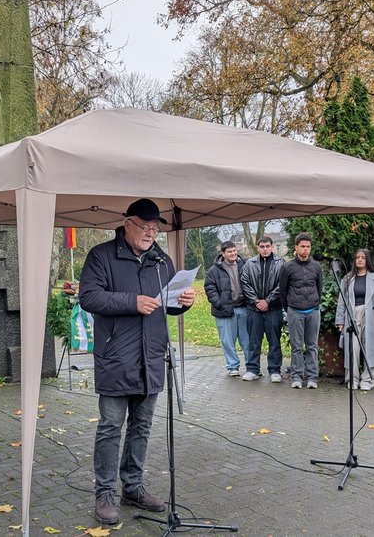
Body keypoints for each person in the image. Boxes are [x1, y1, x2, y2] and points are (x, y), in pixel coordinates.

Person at [78, 198, 196, 525]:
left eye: (155, 229)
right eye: (144, 227)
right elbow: (88, 296)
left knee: (141, 427)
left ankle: (132, 486)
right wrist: (132, 301)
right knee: (110, 428)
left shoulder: (161, 260)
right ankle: (104, 493)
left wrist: (182, 302)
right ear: (126, 224)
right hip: (117, 357)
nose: (150, 234)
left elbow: (166, 304)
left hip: (152, 356)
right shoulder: (101, 255)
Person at [336, 248, 374, 390]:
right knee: (352, 347)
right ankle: (352, 379)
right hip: (352, 315)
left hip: (371, 316)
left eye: (363, 257)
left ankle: (368, 379)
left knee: (370, 347)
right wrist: (340, 321)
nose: (359, 260)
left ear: (367, 260)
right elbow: (342, 301)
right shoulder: (347, 279)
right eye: (357, 257)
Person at [279, 233, 323, 390]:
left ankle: (312, 377)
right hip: (295, 311)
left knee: (312, 346)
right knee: (297, 346)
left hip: (313, 311)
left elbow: (319, 288)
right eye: (302, 246)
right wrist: (289, 308)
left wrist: (316, 304)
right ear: (296, 248)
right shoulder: (287, 267)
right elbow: (282, 291)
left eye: (308, 247)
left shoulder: (316, 267)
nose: (305, 250)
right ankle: (297, 376)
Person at [240, 236, 285, 382]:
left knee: (274, 341)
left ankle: (275, 371)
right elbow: (245, 283)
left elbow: (282, 285)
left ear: (272, 247)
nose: (265, 249)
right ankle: (252, 369)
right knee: (253, 341)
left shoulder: (281, 263)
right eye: (262, 246)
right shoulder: (249, 264)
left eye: (267, 246)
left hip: (274, 309)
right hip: (254, 310)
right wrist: (256, 301)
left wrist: (268, 301)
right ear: (258, 248)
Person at [204, 241, 248, 377]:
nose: (233, 253)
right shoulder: (214, 271)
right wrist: (220, 304)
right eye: (229, 251)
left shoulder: (245, 265)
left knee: (248, 340)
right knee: (227, 341)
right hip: (224, 311)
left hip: (244, 308)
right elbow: (210, 289)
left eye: (234, 250)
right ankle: (232, 366)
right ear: (223, 254)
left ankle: (251, 366)